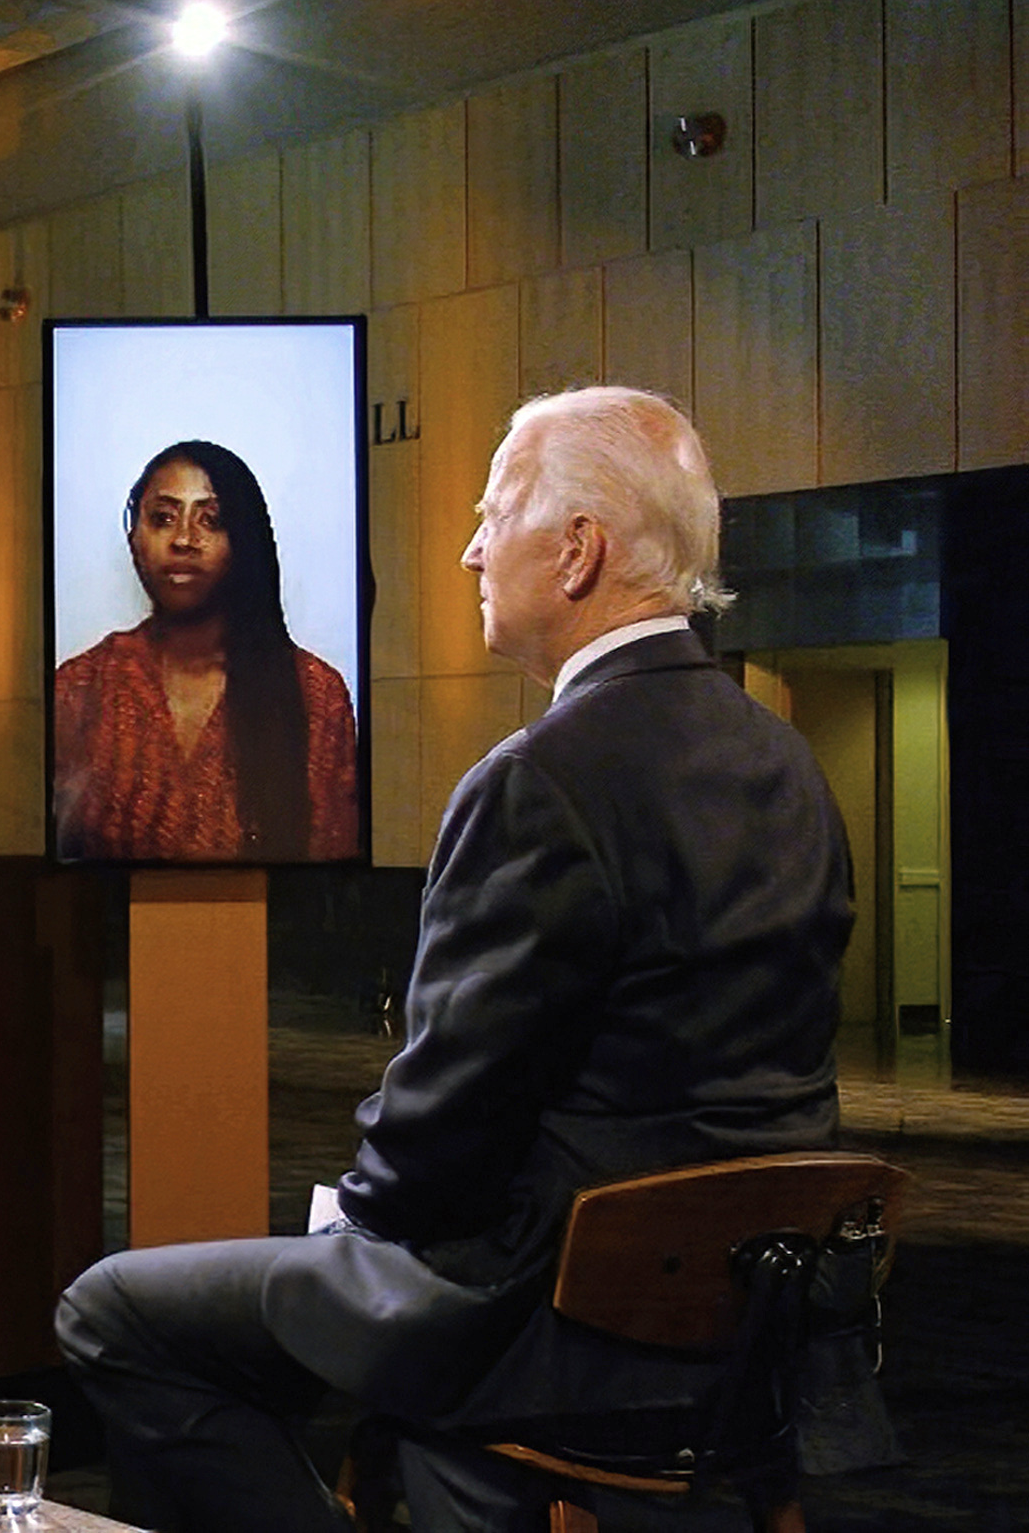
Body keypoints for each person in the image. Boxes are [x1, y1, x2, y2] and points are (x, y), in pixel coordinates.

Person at [54, 388, 855, 1531]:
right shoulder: (789, 767)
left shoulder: (543, 780)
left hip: (538, 1321)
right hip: (744, 1334)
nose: (472, 548)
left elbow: (447, 1122)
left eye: (492, 514)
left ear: (578, 550)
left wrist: (354, 1216)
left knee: (111, 1310)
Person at [51, 439, 356, 861]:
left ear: (244, 541)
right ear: (134, 537)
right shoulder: (81, 687)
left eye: (211, 520)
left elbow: (333, 873)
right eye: (163, 518)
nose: (184, 539)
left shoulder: (315, 694)